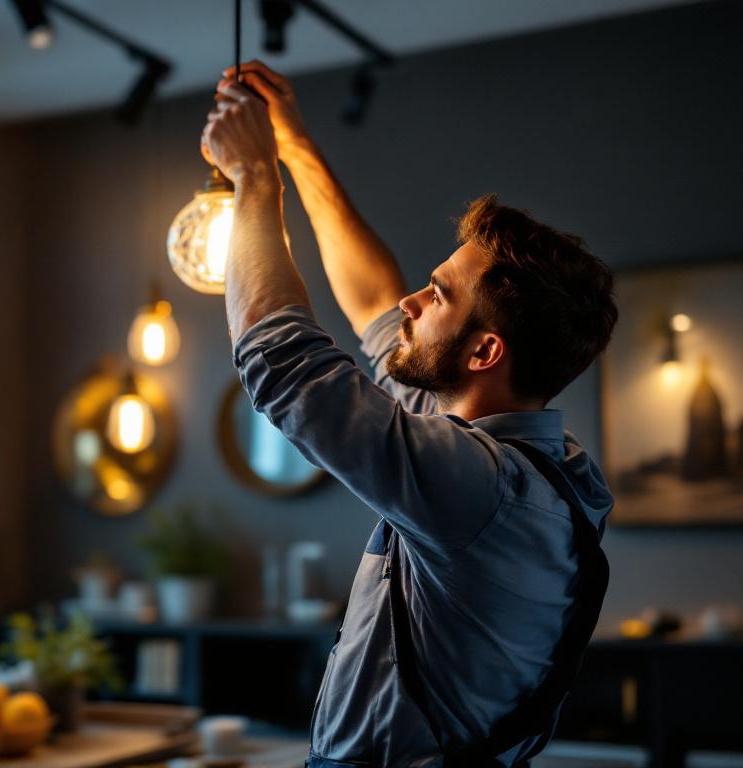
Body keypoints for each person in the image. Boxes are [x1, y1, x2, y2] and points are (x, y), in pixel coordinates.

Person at [200, 61, 618, 767]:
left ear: (485, 351)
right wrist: (294, 145)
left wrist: (254, 179)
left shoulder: (486, 489)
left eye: (438, 294)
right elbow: (373, 302)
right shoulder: (517, 462)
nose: (410, 305)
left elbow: (281, 361)